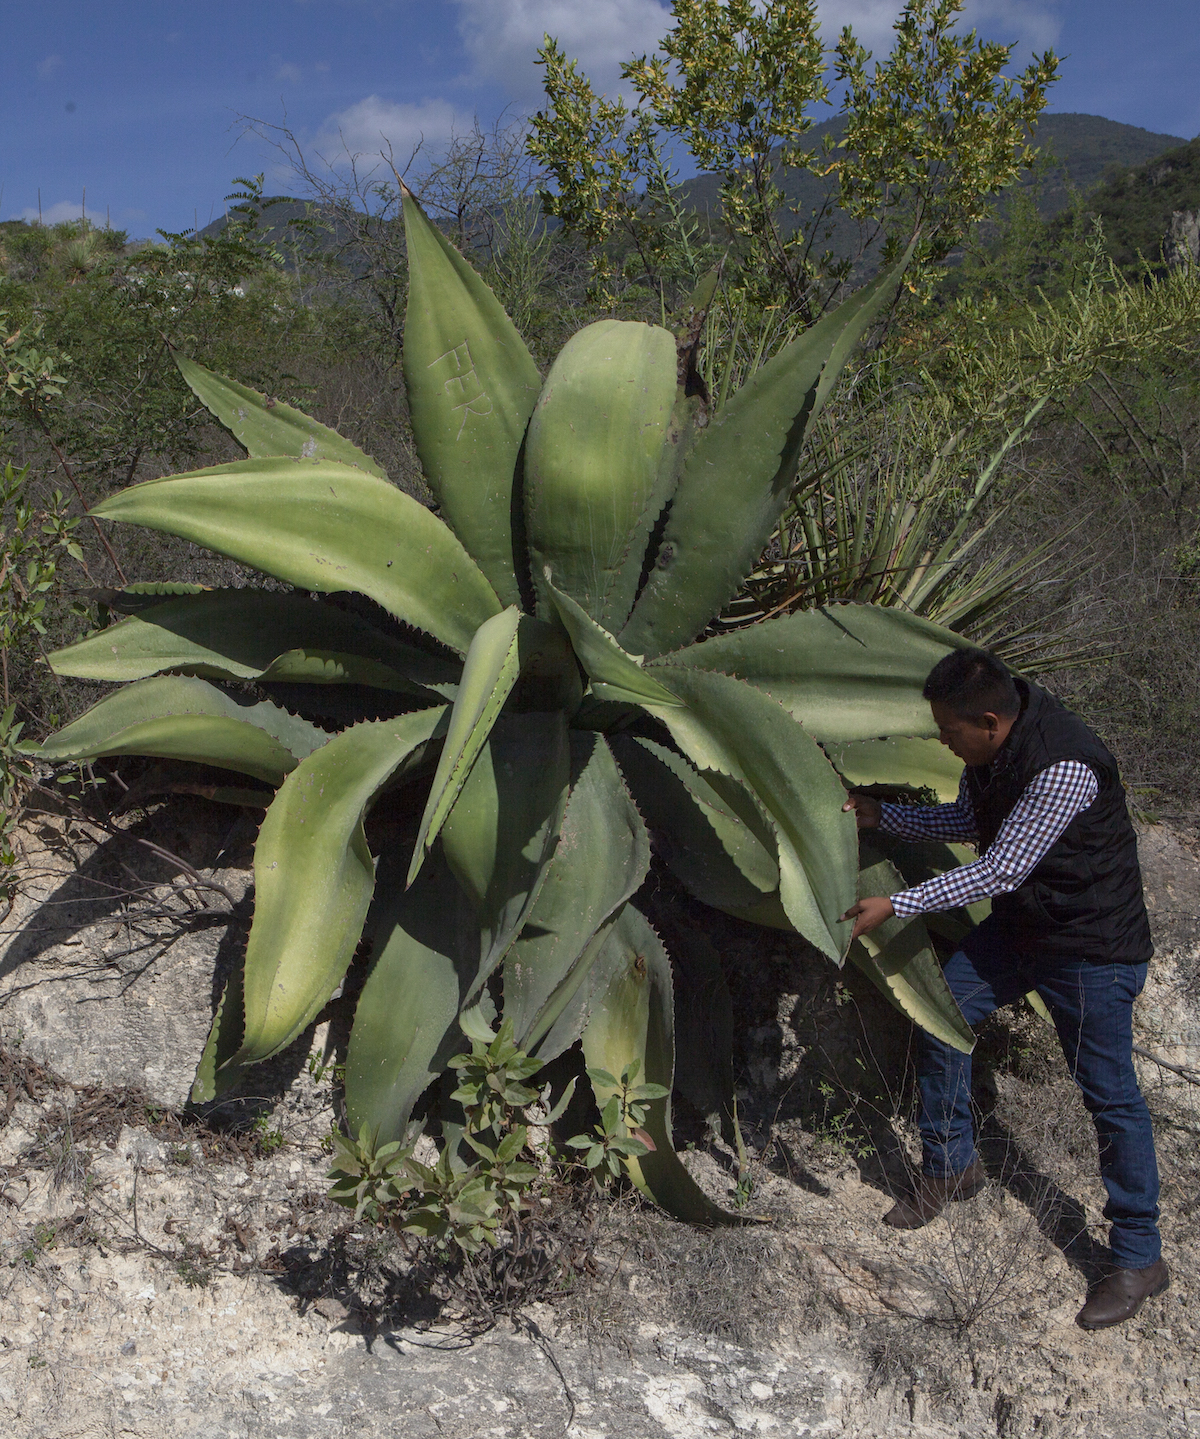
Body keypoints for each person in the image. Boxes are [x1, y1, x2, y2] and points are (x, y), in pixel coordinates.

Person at [840, 647, 1167, 1332]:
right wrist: (884, 817)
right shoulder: (995, 750)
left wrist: (896, 904)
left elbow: (1000, 868)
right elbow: (970, 823)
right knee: (942, 1013)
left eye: (949, 732)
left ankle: (1138, 1257)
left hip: (1091, 950)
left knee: (1109, 1095)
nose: (941, 741)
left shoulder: (1065, 766)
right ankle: (951, 1164)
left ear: (989, 720)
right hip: (1025, 933)